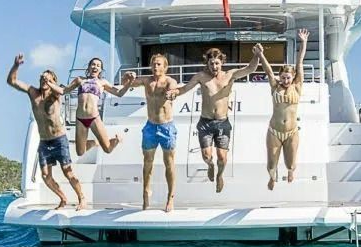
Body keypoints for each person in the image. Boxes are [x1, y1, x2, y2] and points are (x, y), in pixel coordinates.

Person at [169, 45, 262, 193]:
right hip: (205, 122)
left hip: (222, 123)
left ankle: (220, 175)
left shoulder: (230, 75)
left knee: (222, 158)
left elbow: (250, 69)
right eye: (211, 63)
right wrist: (174, 92)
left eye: (217, 63)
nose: (214, 66)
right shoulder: (201, 77)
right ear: (207, 63)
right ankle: (210, 166)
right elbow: (185, 89)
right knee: (207, 156)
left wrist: (257, 55)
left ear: (222, 63)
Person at [6, 53, 86, 210]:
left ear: (53, 81)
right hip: (44, 141)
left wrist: (51, 82)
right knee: (45, 176)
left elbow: (64, 91)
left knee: (68, 173)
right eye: (43, 79)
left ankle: (82, 198)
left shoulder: (56, 94)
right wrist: (16, 65)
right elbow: (12, 81)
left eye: (48, 79)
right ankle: (62, 198)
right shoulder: (33, 93)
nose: (45, 81)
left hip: (59, 139)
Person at [122, 54, 179, 212]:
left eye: (159, 64)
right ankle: (146, 195)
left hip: (166, 127)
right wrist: (127, 76)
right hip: (150, 127)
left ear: (165, 67)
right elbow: (125, 83)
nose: (155, 66)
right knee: (148, 163)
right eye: (153, 64)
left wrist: (172, 94)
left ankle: (170, 198)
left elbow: (175, 90)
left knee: (169, 163)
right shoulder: (147, 81)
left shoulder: (169, 81)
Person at [256, 29, 309, 189]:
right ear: (281, 77)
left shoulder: (297, 87)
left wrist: (303, 42)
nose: (286, 80)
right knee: (271, 164)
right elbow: (268, 70)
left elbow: (299, 63)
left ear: (293, 77)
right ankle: (272, 178)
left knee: (290, 163)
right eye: (283, 77)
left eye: (289, 77)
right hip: (274, 131)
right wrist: (260, 54)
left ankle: (290, 171)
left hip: (292, 131)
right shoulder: (275, 86)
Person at [63, 57, 132, 157]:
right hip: (80, 118)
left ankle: (116, 140)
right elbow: (63, 91)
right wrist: (49, 83)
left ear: (100, 70)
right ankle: (93, 142)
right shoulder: (80, 80)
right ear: (89, 67)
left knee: (108, 149)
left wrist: (129, 82)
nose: (95, 67)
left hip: (93, 118)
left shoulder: (102, 82)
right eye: (93, 64)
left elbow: (119, 93)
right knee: (80, 152)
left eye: (98, 66)